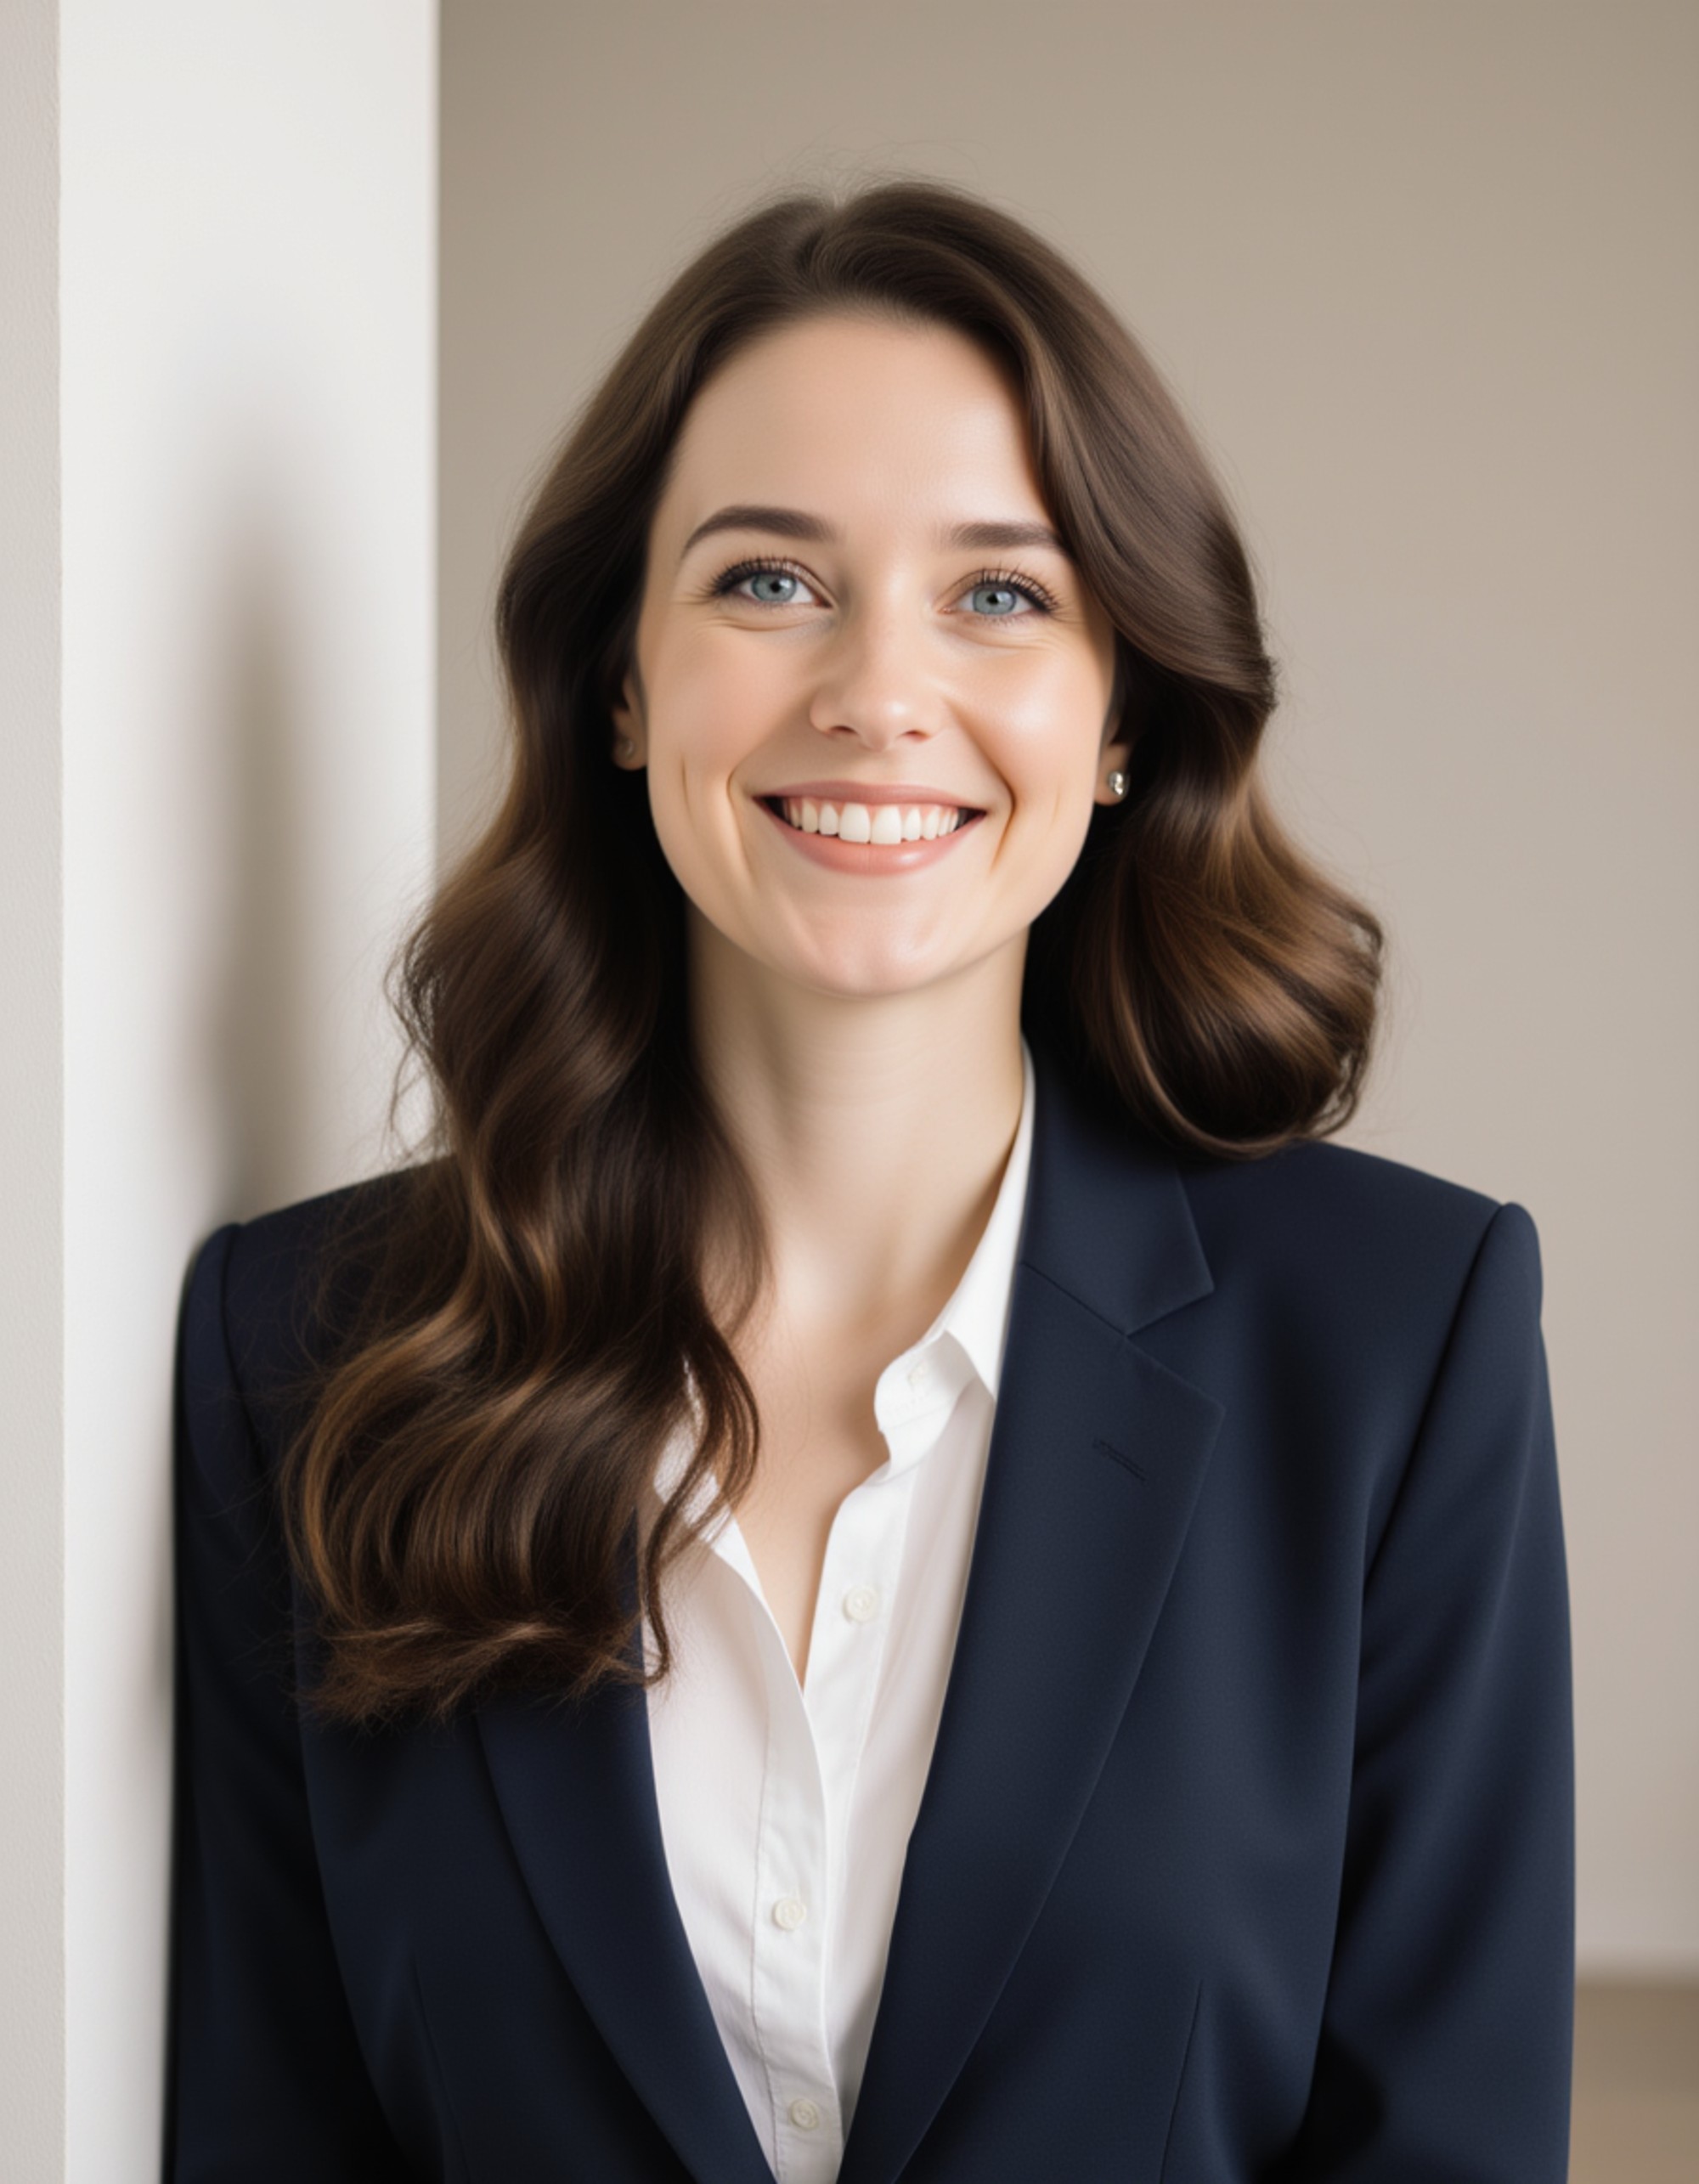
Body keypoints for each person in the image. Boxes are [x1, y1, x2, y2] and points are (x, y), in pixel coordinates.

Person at [167, 179, 1573, 2181]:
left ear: (1116, 714)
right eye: (768, 580)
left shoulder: (1397, 1341)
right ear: (620, 678)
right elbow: (265, 2124)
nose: (874, 691)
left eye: (997, 594)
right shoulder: (297, 1352)